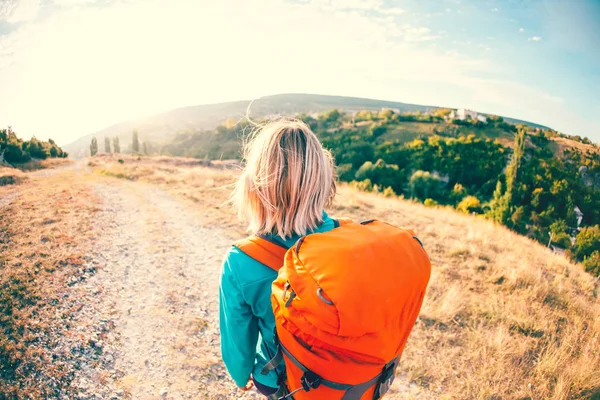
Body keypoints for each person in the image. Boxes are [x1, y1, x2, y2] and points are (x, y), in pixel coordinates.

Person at [219, 118, 337, 396]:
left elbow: (238, 338)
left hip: (284, 382)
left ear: (255, 186)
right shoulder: (345, 239)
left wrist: (240, 374)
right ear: (322, 182)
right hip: (346, 381)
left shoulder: (241, 261)